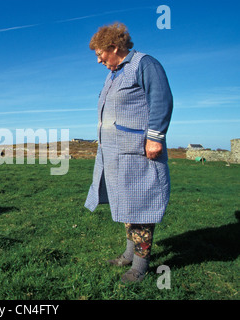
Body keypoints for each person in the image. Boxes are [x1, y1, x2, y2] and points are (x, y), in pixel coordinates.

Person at [84, 22, 173, 282]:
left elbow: (161, 99)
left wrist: (155, 138)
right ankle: (128, 253)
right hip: (115, 154)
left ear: (114, 47)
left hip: (139, 154)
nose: (99, 60)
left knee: (142, 208)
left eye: (100, 54)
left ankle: (140, 267)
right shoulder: (113, 75)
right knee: (127, 206)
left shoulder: (145, 64)